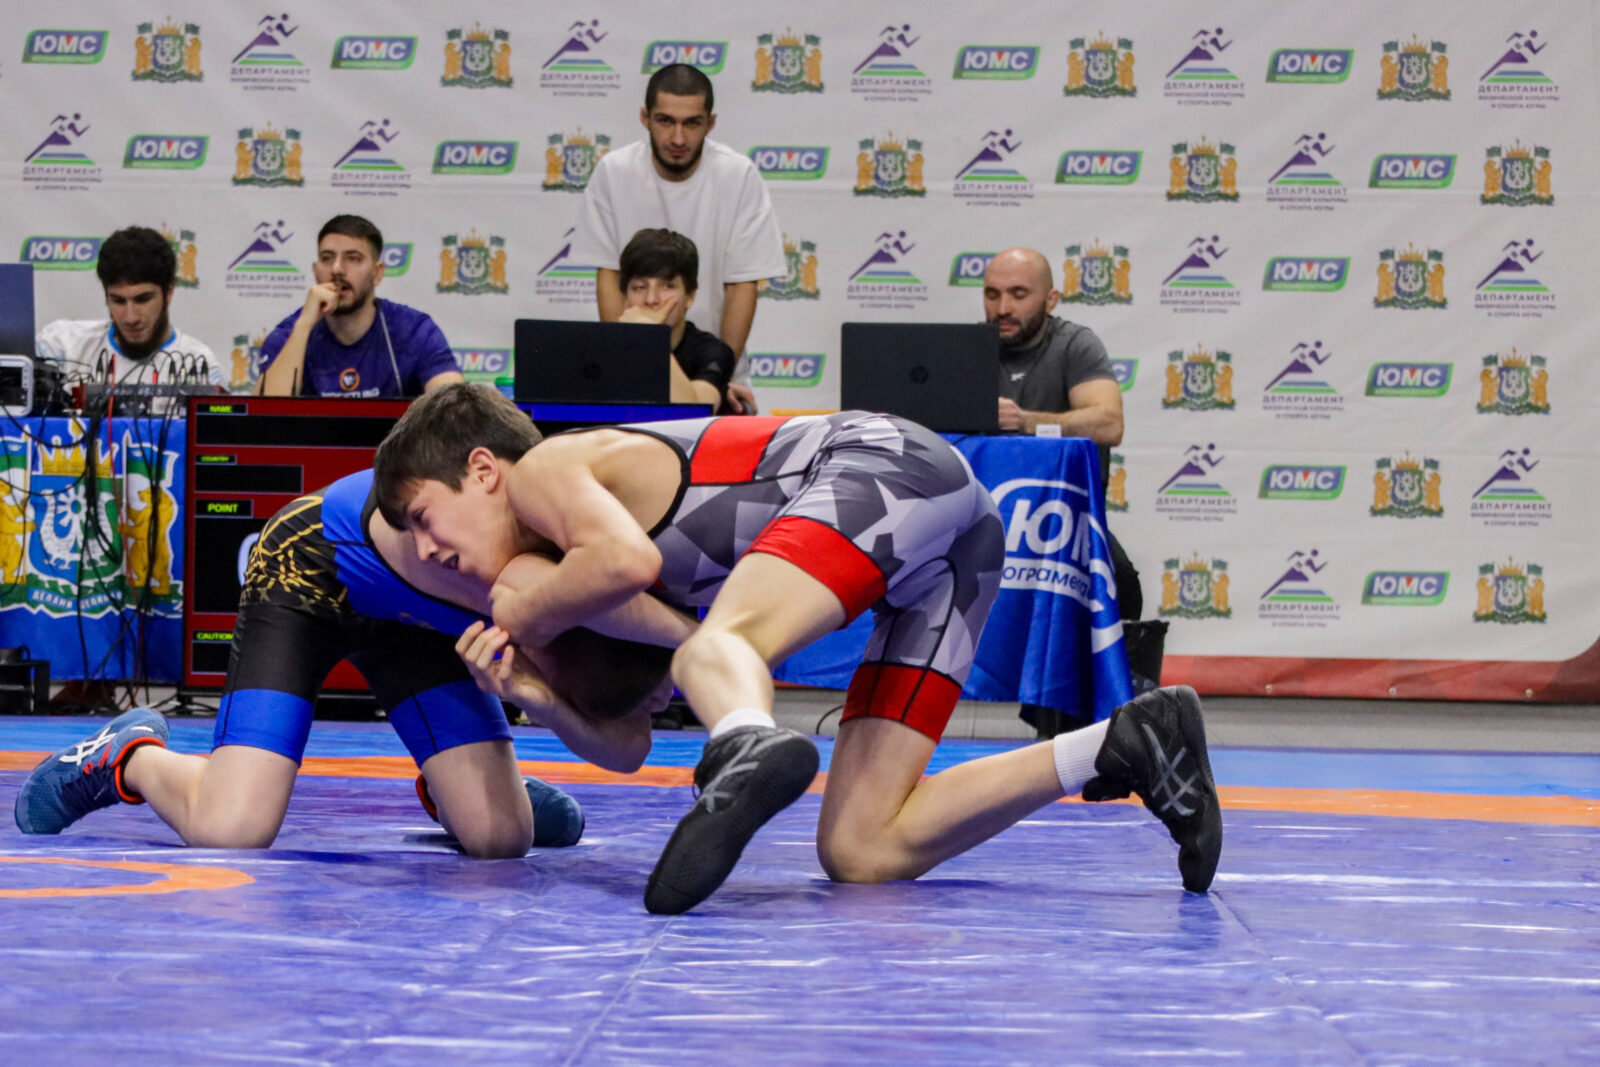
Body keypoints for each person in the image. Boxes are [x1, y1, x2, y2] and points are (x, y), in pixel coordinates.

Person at [372, 384, 1222, 914]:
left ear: (483, 469)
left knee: (722, 644)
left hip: (887, 463)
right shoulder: (574, 565)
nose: (431, 551)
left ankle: (745, 737)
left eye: (423, 518)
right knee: (862, 848)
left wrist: (527, 609)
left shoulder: (546, 471)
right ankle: (1121, 742)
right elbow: (628, 744)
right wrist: (539, 694)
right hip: (957, 540)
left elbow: (630, 564)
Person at [12, 420, 696, 854]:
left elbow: (629, 747)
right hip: (308, 576)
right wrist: (700, 640)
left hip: (423, 629)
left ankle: (458, 786)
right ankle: (126, 755)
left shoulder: (560, 561)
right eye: (415, 522)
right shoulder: (528, 561)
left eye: (427, 522)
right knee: (231, 829)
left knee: (499, 839)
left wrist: (535, 697)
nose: (426, 547)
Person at [982, 247, 1148, 733]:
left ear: (1051, 299)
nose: (1003, 308)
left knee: (1120, 583)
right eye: (992, 294)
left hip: (1059, 526)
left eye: (1018, 294)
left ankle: (1091, 731)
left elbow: (1109, 422)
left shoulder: (1075, 345)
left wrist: (1027, 421)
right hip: (979, 520)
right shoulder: (964, 351)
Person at [570, 64, 785, 414]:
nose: (678, 138)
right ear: (645, 118)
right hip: (632, 368)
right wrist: (622, 359)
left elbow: (741, 285)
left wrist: (720, 375)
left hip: (715, 367)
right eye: (665, 121)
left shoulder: (738, 175)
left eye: (692, 123)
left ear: (710, 123)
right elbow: (609, 275)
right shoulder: (614, 171)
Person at [255, 215, 464, 398]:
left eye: (353, 258)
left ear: (377, 273)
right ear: (315, 269)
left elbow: (453, 408)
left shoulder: (414, 330)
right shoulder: (290, 333)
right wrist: (304, 325)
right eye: (327, 258)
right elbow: (263, 417)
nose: (337, 269)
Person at [36, 225, 224, 406]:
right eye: (118, 301)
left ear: (169, 291)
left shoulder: (199, 364)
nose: (130, 318)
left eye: (143, 299)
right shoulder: (63, 346)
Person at [615, 229, 733, 410]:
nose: (651, 299)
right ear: (625, 296)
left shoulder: (712, 351)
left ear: (690, 296)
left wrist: (650, 338)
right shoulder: (605, 350)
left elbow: (693, 414)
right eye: (639, 287)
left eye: (667, 286)